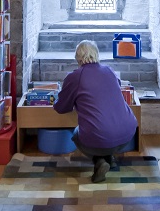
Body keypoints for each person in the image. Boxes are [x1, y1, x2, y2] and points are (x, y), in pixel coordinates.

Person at [53, 40, 137, 183]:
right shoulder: (109, 71)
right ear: (97, 54)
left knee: (77, 134)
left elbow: (62, 108)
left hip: (100, 137)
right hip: (128, 134)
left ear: (78, 57)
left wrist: (58, 99)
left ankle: (99, 161)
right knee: (102, 130)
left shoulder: (74, 77)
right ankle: (110, 157)